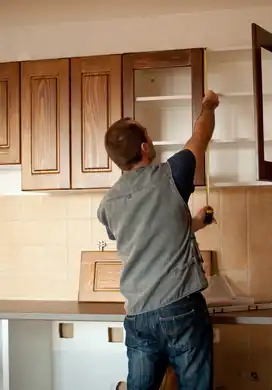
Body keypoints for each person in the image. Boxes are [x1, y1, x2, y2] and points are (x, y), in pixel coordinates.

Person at [97, 90, 220, 390]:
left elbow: (145, 235)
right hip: (181, 309)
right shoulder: (172, 174)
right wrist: (209, 105)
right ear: (145, 147)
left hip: (139, 316)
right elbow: (200, 135)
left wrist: (193, 224)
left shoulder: (107, 204)